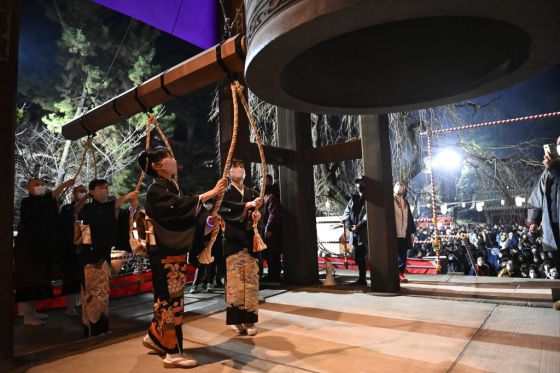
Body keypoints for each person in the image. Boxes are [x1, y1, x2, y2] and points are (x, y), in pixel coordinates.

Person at [139, 147, 227, 368]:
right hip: (163, 250)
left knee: (173, 299)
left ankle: (155, 337)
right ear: (157, 166)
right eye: (167, 157)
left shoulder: (174, 187)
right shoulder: (156, 190)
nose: (173, 159)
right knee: (168, 300)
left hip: (174, 250)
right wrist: (210, 194)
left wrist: (208, 222)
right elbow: (180, 207)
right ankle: (171, 351)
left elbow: (191, 209)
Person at [75, 179, 139, 337]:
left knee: (103, 292)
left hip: (104, 255)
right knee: (91, 293)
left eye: (106, 187)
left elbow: (123, 216)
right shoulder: (86, 209)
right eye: (100, 187)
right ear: (92, 191)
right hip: (89, 256)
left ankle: (102, 327)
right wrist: (124, 198)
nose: (104, 190)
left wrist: (133, 204)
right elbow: (102, 213)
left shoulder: (106, 208)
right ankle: (92, 329)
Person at [15, 177, 75, 326]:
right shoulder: (27, 202)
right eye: (36, 184)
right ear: (29, 188)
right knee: (28, 281)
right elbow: (49, 198)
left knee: (38, 281)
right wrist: (65, 185)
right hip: (28, 248)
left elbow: (49, 199)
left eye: (42, 184)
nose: (40, 186)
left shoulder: (43, 201)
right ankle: (26, 315)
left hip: (41, 248)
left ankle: (33, 311)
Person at [220, 160, 263, 336]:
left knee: (251, 283)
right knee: (236, 283)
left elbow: (258, 216)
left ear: (245, 173)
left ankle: (250, 320)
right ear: (229, 174)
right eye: (235, 168)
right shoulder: (224, 194)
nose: (239, 170)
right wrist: (246, 206)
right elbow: (224, 210)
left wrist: (258, 213)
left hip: (250, 242)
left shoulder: (252, 193)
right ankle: (237, 320)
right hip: (233, 243)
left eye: (242, 168)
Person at [529, 136, 560, 269]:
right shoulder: (550, 169)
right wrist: (535, 220)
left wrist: (552, 168)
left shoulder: (552, 169)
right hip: (552, 224)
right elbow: (540, 196)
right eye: (558, 143)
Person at [58, 184, 88, 317]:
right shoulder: (67, 208)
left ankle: (83, 304)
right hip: (70, 248)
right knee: (71, 278)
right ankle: (70, 307)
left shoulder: (89, 208)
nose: (81, 193)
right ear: (73, 193)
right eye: (79, 191)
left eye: (83, 191)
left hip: (86, 246)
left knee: (84, 278)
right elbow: (75, 211)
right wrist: (85, 198)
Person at [342, 177, 369, 285]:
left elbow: (369, 214)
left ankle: (364, 278)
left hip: (365, 231)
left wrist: (358, 226)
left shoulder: (369, 197)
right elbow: (346, 213)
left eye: (361, 183)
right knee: (358, 256)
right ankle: (361, 279)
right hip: (355, 232)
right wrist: (349, 225)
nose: (359, 185)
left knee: (365, 255)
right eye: (357, 183)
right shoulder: (354, 198)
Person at [393, 181, 416, 283]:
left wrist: (412, 232)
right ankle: (395, 273)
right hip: (394, 232)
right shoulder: (391, 200)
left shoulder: (406, 202)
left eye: (402, 185)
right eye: (398, 185)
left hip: (404, 232)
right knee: (395, 254)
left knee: (403, 254)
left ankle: (401, 274)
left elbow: (410, 218)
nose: (400, 186)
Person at [261, 174, 283, 282]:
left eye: (263, 182)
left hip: (271, 229)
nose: (261, 184)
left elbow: (273, 213)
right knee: (267, 253)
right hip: (264, 227)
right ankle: (271, 274)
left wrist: (268, 228)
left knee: (272, 253)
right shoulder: (264, 196)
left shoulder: (271, 196)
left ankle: (274, 275)